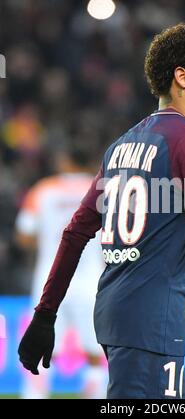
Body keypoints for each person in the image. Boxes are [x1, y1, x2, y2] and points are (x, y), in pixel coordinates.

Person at [18, 23, 185, 399]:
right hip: (151, 325)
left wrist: (45, 314)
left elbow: (76, 232)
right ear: (182, 77)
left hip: (118, 318)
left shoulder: (121, 146)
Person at [16, 147, 108, 398]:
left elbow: (24, 235)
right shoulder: (101, 188)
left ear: (64, 160)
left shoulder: (43, 189)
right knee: (95, 354)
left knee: (40, 346)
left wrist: (49, 241)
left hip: (50, 279)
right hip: (91, 281)